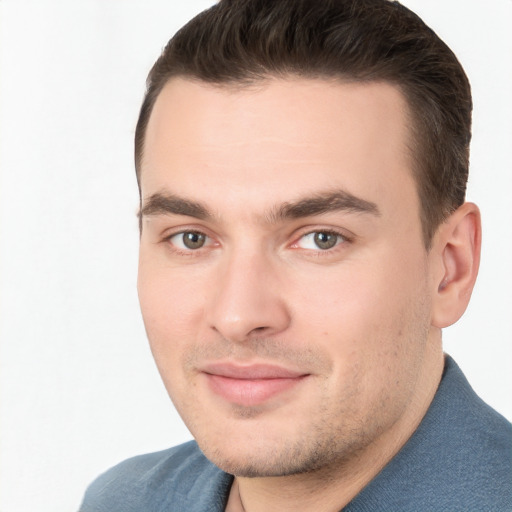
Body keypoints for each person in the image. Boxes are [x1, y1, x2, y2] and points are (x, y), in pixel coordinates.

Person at [79, 0, 512, 510]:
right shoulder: (123, 501)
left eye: (321, 239)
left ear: (449, 269)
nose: (238, 316)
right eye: (191, 238)